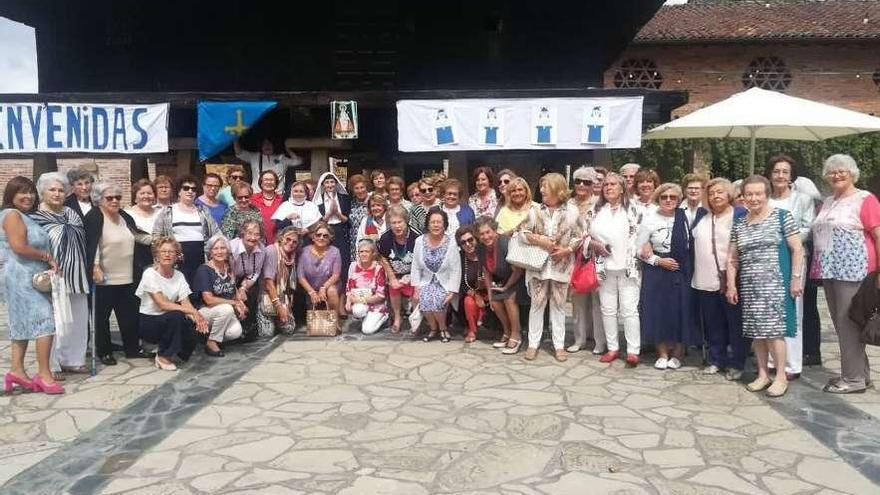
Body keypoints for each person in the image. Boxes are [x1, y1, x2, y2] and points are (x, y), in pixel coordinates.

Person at [727, 175, 803, 398]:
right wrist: (731, 285)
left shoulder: (782, 217)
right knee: (756, 332)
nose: (753, 198)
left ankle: (780, 376)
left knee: (774, 333)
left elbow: (798, 249)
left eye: (758, 193)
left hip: (776, 285)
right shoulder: (740, 223)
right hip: (750, 286)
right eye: (749, 194)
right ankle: (762, 374)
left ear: (766, 194)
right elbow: (732, 258)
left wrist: (796, 278)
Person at [812, 154, 880, 394]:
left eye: (842, 171)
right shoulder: (828, 201)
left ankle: (852, 380)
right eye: (832, 172)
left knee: (847, 324)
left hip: (854, 271)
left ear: (853, 173)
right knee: (843, 325)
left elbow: (878, 234)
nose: (836, 175)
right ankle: (861, 375)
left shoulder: (865, 199)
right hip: (830, 270)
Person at [1, 176, 63, 395]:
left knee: (21, 323)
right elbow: (18, 246)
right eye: (22, 192)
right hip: (20, 275)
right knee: (45, 321)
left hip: (28, 275)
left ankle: (17, 370)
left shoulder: (25, 216)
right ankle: (44, 375)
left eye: (31, 192)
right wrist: (47, 257)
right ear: (11, 195)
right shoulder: (12, 215)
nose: (28, 196)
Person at [85, 181, 153, 365]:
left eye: (118, 197)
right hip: (104, 278)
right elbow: (93, 244)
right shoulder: (94, 216)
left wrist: (158, 241)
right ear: (99, 199)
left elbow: (137, 235)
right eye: (110, 198)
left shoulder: (123, 215)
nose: (115, 201)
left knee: (129, 316)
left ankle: (132, 348)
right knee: (101, 319)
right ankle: (104, 351)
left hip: (128, 276)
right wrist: (95, 267)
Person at [31, 173, 90, 377]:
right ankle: (52, 364)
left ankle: (74, 360)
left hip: (77, 275)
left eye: (61, 190)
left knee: (79, 319)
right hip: (52, 277)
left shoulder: (72, 214)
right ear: (42, 193)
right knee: (55, 321)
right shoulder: (35, 218)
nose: (57, 194)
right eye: (52, 190)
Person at [637, 183, 700, 370]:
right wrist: (657, 260)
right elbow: (638, 249)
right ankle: (662, 353)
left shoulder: (686, 216)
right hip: (657, 270)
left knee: (681, 311)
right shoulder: (649, 219)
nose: (668, 200)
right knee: (658, 311)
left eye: (673, 197)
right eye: (664, 197)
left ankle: (678, 353)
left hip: (682, 268)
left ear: (679, 199)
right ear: (658, 198)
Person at [691, 178, 749, 380]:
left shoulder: (739, 214)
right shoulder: (702, 217)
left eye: (720, 192)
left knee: (735, 323)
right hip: (705, 280)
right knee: (713, 323)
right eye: (712, 193)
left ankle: (737, 363)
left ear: (729, 194)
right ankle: (717, 359)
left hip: (732, 279)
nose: (715, 196)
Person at [521, 173, 582, 362]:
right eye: (541, 186)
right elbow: (523, 233)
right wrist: (539, 240)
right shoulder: (535, 211)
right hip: (538, 267)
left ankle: (559, 345)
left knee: (558, 306)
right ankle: (533, 344)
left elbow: (579, 235)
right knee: (537, 305)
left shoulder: (572, 212)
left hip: (561, 268)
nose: (541, 190)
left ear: (557, 188)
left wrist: (567, 250)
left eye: (545, 186)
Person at [766, 154, 815, 380]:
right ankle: (771, 361)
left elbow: (807, 228)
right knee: (769, 309)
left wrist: (787, 237)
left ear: (791, 175)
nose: (780, 175)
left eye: (785, 171)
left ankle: (792, 364)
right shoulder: (765, 199)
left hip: (793, 255)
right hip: (767, 259)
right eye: (776, 171)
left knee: (792, 308)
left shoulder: (803, 200)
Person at [588, 172, 643, 367]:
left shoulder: (634, 208)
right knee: (608, 309)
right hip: (604, 266)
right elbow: (585, 235)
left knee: (629, 310)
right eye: (606, 185)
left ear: (622, 188)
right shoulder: (595, 209)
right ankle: (612, 348)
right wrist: (594, 244)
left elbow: (641, 235)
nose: (609, 187)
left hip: (628, 266)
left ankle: (633, 350)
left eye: (613, 184)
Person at [136, 237, 208, 371]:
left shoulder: (179, 275)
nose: (167, 254)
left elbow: (185, 302)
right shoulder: (149, 273)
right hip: (150, 321)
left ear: (177, 256)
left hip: (168, 318)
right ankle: (163, 355)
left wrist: (197, 317)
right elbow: (162, 304)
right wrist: (192, 311)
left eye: (171, 251)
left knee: (193, 321)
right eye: (163, 251)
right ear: (156, 255)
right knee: (177, 315)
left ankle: (176, 351)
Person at [153, 175, 220, 289]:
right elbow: (156, 236)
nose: (190, 191)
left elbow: (216, 233)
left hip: (201, 257)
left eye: (193, 189)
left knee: (199, 290)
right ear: (179, 191)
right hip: (177, 259)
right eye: (186, 188)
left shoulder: (203, 211)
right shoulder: (168, 211)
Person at [567, 166, 605, 355]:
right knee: (578, 301)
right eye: (578, 181)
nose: (582, 185)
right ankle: (580, 339)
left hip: (597, 258)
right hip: (574, 258)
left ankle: (599, 341)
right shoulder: (568, 204)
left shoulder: (600, 203)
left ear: (593, 185)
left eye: (587, 182)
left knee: (598, 300)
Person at [475, 216, 525, 353]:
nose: (485, 236)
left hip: (519, 280)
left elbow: (518, 270)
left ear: (495, 231)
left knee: (509, 299)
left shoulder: (505, 243)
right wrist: (490, 295)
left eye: (488, 232)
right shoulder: (480, 248)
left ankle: (516, 335)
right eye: (482, 234)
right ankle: (507, 332)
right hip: (503, 281)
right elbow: (486, 271)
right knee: (496, 302)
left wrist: (506, 287)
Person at [411, 207, 461, 342]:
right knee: (425, 298)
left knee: (438, 300)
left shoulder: (451, 243)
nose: (436, 225)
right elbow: (415, 266)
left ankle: (443, 328)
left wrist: (452, 290)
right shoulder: (419, 241)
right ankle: (433, 329)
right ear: (428, 224)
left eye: (439, 222)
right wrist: (416, 287)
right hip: (426, 280)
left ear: (444, 225)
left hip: (444, 282)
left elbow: (456, 269)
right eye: (433, 222)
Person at [193, 234, 245, 357]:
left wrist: (240, 304)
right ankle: (212, 342)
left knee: (236, 332)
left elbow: (233, 290)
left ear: (227, 250)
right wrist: (234, 304)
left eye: (223, 248)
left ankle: (207, 337)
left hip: (223, 310)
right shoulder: (204, 270)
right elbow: (208, 299)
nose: (219, 251)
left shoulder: (229, 267)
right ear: (210, 252)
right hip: (204, 311)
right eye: (215, 249)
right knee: (226, 309)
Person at [377, 205, 418, 333]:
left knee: (416, 292)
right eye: (393, 223)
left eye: (400, 222)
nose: (397, 226)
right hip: (395, 273)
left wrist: (412, 277)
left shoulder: (416, 237)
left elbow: (421, 261)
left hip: (413, 273)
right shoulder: (385, 238)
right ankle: (397, 318)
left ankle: (415, 320)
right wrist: (392, 278)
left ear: (406, 221)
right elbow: (383, 258)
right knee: (393, 287)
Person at [259, 226, 299, 336]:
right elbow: (268, 282)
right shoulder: (272, 251)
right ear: (281, 238)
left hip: (283, 297)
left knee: (289, 329)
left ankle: (278, 319)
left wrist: (285, 306)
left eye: (294, 242)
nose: (291, 243)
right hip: (266, 296)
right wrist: (279, 306)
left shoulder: (292, 256)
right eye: (288, 239)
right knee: (267, 333)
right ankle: (270, 318)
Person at [314, 172, 351, 288]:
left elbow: (349, 221)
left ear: (336, 184)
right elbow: (318, 223)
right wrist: (329, 213)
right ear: (323, 185)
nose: (330, 185)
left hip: (341, 232)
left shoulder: (344, 198)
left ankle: (344, 291)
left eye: (332, 182)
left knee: (343, 261)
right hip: (325, 234)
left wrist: (337, 213)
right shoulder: (317, 202)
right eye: (327, 182)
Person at [230, 220, 266, 340]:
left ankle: (248, 327)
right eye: (249, 233)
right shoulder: (232, 247)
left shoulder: (261, 249)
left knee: (253, 292)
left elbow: (256, 272)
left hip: (246, 280)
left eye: (257, 234)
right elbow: (227, 273)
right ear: (242, 233)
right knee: (234, 297)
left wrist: (243, 288)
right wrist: (236, 291)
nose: (253, 237)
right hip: (229, 279)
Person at [298, 222, 343, 316]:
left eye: (325, 236)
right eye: (318, 235)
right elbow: (301, 276)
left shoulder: (335, 251)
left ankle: (334, 321)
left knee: (332, 291)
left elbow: (336, 274)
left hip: (330, 285)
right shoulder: (304, 251)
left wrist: (324, 287)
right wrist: (311, 291)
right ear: (313, 237)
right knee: (315, 315)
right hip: (310, 287)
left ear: (329, 238)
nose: (321, 238)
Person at [346, 239, 389, 334]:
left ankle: (384, 317)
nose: (364, 254)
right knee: (357, 311)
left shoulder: (379, 269)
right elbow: (349, 287)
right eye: (361, 251)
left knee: (367, 330)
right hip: (360, 302)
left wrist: (359, 300)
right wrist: (348, 301)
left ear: (373, 253)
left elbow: (381, 296)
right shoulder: (353, 266)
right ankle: (366, 317)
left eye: (367, 251)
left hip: (376, 304)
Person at [234, 137, 303, 193]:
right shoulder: (254, 157)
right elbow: (239, 153)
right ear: (261, 146)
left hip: (277, 196)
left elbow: (298, 161)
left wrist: (287, 149)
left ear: (274, 146)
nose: (267, 145)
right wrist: (234, 138)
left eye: (269, 143)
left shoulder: (281, 158)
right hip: (257, 195)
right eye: (265, 144)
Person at [456, 225, 485, 343]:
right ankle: (472, 330)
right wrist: (475, 295)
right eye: (463, 242)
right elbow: (460, 283)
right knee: (469, 301)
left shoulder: (484, 252)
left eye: (470, 240)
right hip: (471, 293)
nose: (468, 244)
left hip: (490, 291)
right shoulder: (460, 258)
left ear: (476, 239)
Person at [251, 170, 283, 244]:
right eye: (266, 180)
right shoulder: (252, 199)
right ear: (261, 183)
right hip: (257, 241)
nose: (269, 182)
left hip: (278, 242)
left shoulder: (283, 200)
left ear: (276, 183)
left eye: (271, 180)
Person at [347, 174, 371, 259]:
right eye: (356, 188)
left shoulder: (372, 202)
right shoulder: (351, 203)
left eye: (362, 187)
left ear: (366, 187)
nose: (360, 190)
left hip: (369, 241)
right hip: (353, 242)